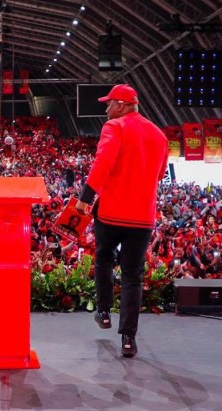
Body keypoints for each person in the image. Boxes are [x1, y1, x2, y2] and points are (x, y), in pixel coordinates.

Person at [75, 84, 168, 356]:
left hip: (112, 212)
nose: (105, 109)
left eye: (108, 104)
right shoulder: (160, 135)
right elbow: (160, 174)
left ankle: (103, 311)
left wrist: (85, 197)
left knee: (104, 258)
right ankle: (128, 338)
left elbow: (103, 162)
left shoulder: (114, 128)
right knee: (133, 276)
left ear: (120, 105)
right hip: (142, 216)